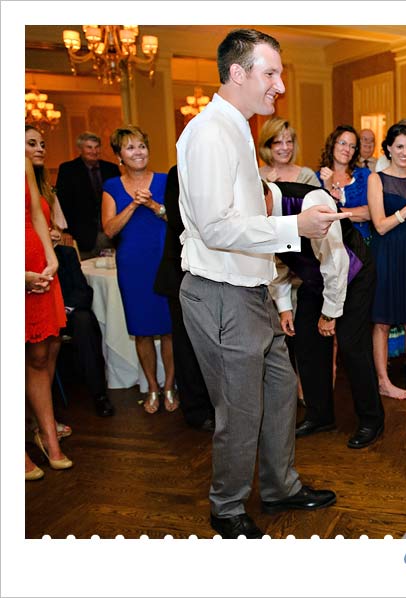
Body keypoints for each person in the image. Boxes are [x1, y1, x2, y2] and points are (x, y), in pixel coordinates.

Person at [177, 28, 345, 539]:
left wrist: (280, 195)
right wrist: (295, 226)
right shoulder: (209, 132)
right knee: (241, 410)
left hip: (254, 290)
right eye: (270, 73)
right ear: (238, 73)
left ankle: (280, 486)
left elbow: (247, 199)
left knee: (277, 395)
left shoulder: (237, 130)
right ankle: (226, 507)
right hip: (221, 293)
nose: (279, 86)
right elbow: (215, 225)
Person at [268, 181, 385, 448]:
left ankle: (372, 420)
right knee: (306, 341)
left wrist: (329, 314)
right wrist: (284, 307)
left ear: (264, 193)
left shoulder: (311, 201)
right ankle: (320, 415)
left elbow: (336, 262)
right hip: (314, 277)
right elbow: (274, 260)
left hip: (352, 271)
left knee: (351, 344)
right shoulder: (256, 214)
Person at [28, 125, 113, 418]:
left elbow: (55, 225)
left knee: (82, 321)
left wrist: (53, 237)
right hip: (29, 271)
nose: (40, 148)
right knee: (38, 354)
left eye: (42, 143)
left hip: (53, 264)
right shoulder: (64, 172)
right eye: (31, 143)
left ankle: (98, 396)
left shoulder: (46, 190)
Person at [101, 125, 176, 414]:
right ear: (119, 155)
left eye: (141, 146)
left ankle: (170, 386)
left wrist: (154, 205)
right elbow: (109, 229)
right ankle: (152, 387)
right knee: (142, 331)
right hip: (133, 265)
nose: (138, 152)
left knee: (170, 329)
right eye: (130, 147)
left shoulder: (165, 179)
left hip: (164, 261)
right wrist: (133, 204)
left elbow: (179, 220)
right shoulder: (111, 186)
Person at [368, 123, 406, 399]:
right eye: (400, 147)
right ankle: (383, 380)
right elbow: (380, 225)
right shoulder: (376, 179)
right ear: (389, 149)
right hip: (386, 252)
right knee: (381, 321)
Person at [153, 165, 215, 432]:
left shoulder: (224, 168)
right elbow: (181, 221)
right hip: (182, 269)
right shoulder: (180, 172)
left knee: (213, 343)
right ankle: (196, 410)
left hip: (215, 269)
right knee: (186, 343)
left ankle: (216, 405)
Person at [26, 158, 73, 479]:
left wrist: (51, 256)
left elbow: (36, 213)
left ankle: (48, 438)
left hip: (38, 265)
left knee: (41, 356)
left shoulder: (21, 161)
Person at [55, 131, 121, 258]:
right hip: (82, 236)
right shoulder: (68, 169)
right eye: (89, 147)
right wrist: (66, 231)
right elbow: (62, 202)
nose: (94, 151)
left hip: (111, 235)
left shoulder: (111, 169)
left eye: (97, 147)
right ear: (80, 149)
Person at [316, 125, 372, 243]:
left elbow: (369, 213)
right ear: (333, 144)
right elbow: (318, 217)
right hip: (329, 244)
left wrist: (335, 214)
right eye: (343, 143)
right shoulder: (318, 178)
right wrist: (327, 186)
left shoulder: (364, 175)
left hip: (361, 243)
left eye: (352, 146)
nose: (347, 149)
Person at [257, 116, 319, 185]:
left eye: (289, 142)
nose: (285, 147)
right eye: (278, 142)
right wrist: (268, 186)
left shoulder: (306, 176)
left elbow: (321, 196)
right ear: (267, 146)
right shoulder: (256, 176)